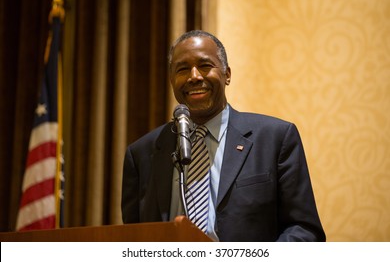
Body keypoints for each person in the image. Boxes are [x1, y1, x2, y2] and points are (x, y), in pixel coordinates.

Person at [121, 30, 326, 242]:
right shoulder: (142, 154)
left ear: (227, 74)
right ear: (172, 79)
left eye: (205, 66)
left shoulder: (276, 138)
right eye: (182, 69)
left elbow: (304, 229)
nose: (194, 76)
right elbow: (134, 237)